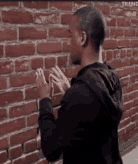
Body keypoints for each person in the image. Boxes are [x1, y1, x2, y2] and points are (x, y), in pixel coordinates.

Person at [35, 6, 124, 164]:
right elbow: (91, 121)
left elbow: (51, 150)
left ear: (83, 38)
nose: (69, 43)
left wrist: (45, 100)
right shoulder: (112, 77)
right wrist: (69, 91)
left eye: (70, 36)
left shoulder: (79, 94)